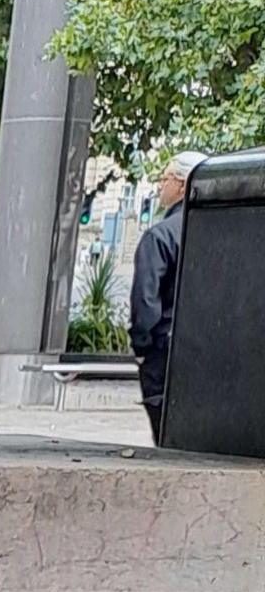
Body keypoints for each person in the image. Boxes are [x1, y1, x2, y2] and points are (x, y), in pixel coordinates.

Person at [132, 151, 204, 443]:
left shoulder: (161, 236)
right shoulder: (223, 234)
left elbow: (145, 301)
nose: (161, 186)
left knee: (167, 441)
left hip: (165, 353)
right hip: (209, 354)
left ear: (183, 185)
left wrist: (143, 345)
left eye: (165, 178)